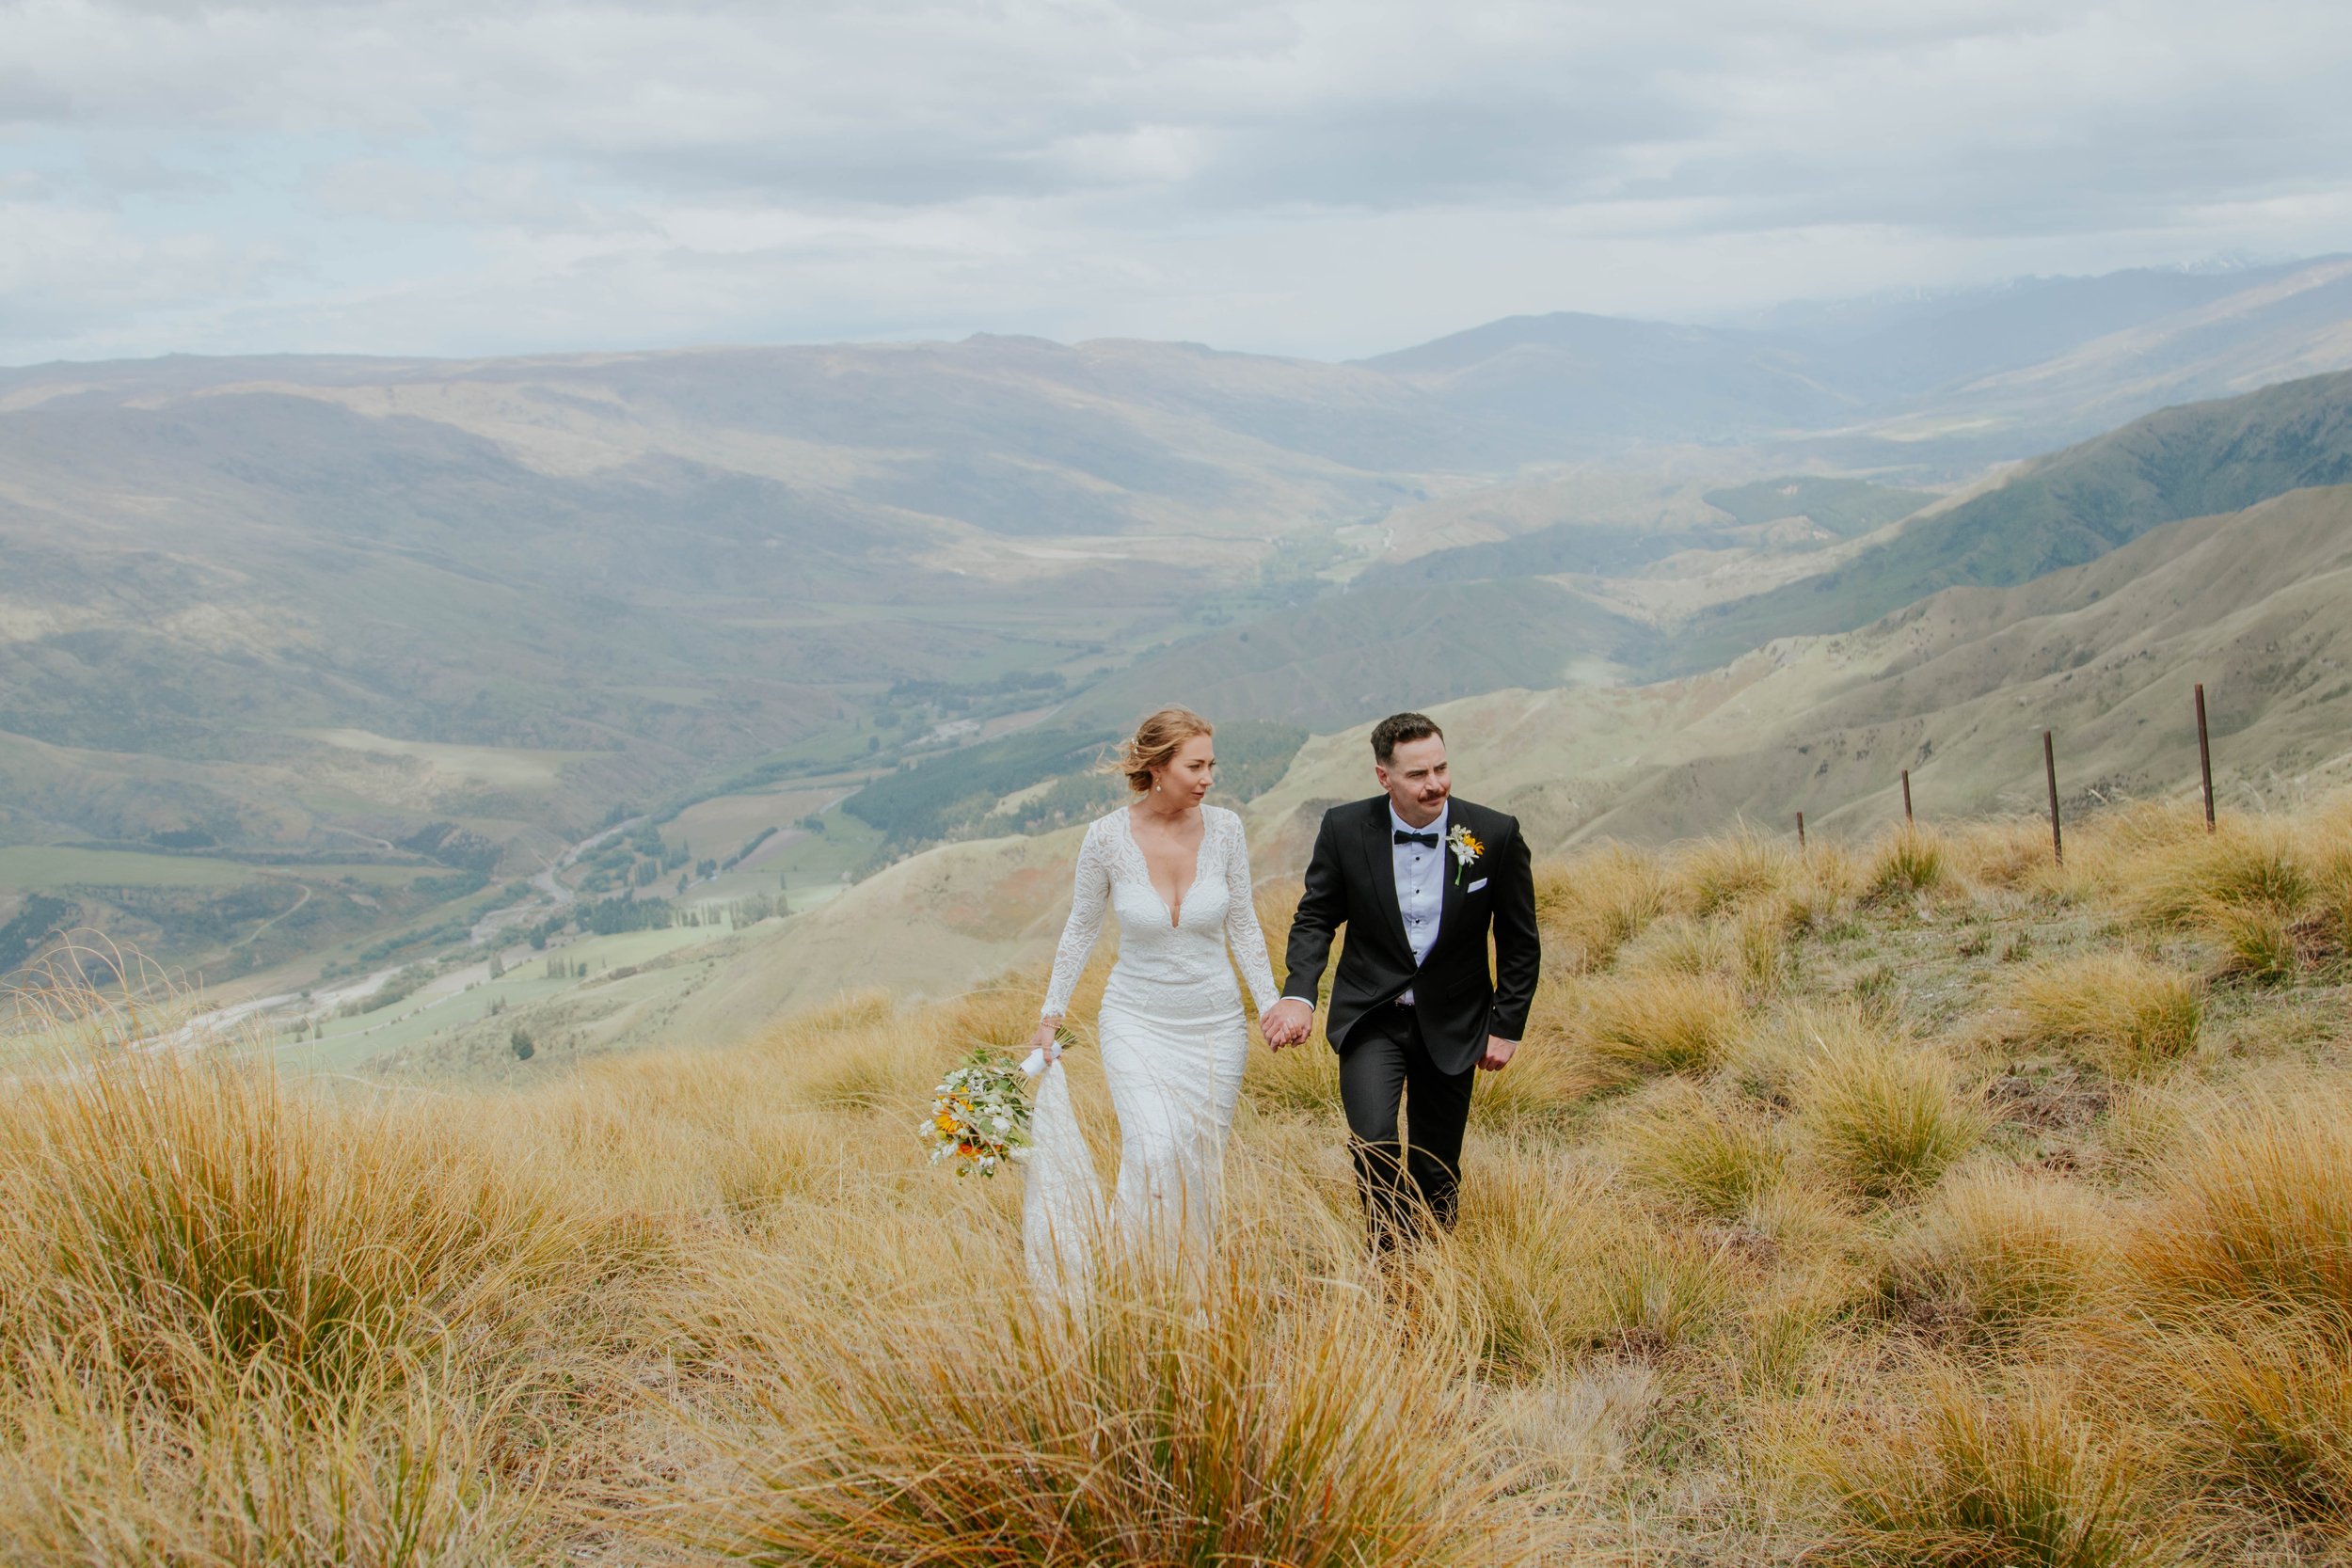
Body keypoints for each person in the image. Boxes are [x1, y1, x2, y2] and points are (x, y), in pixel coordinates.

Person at [1023, 706, 1282, 1296]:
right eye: (1196, 765)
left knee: (1195, 1165)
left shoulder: (1227, 830)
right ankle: (1126, 1280)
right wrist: (1051, 1013)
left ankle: (1188, 1292)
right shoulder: (1107, 838)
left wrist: (1268, 1003)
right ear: (1158, 768)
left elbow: (1242, 923)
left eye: (1211, 764)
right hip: (1135, 1022)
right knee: (1153, 1148)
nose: (1208, 778)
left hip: (1216, 1028)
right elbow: (1081, 927)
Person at [1261, 712, 1539, 1248]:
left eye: (1441, 767)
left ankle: (1433, 1272)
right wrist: (1299, 993)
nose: (1434, 783)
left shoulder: (1494, 833)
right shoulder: (1343, 829)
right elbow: (1317, 917)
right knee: (1373, 1141)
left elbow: (1519, 939)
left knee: (1436, 1167)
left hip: (1455, 1019)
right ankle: (1391, 1262)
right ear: (1383, 777)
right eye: (1417, 774)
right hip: (1372, 1016)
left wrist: (1507, 1025)